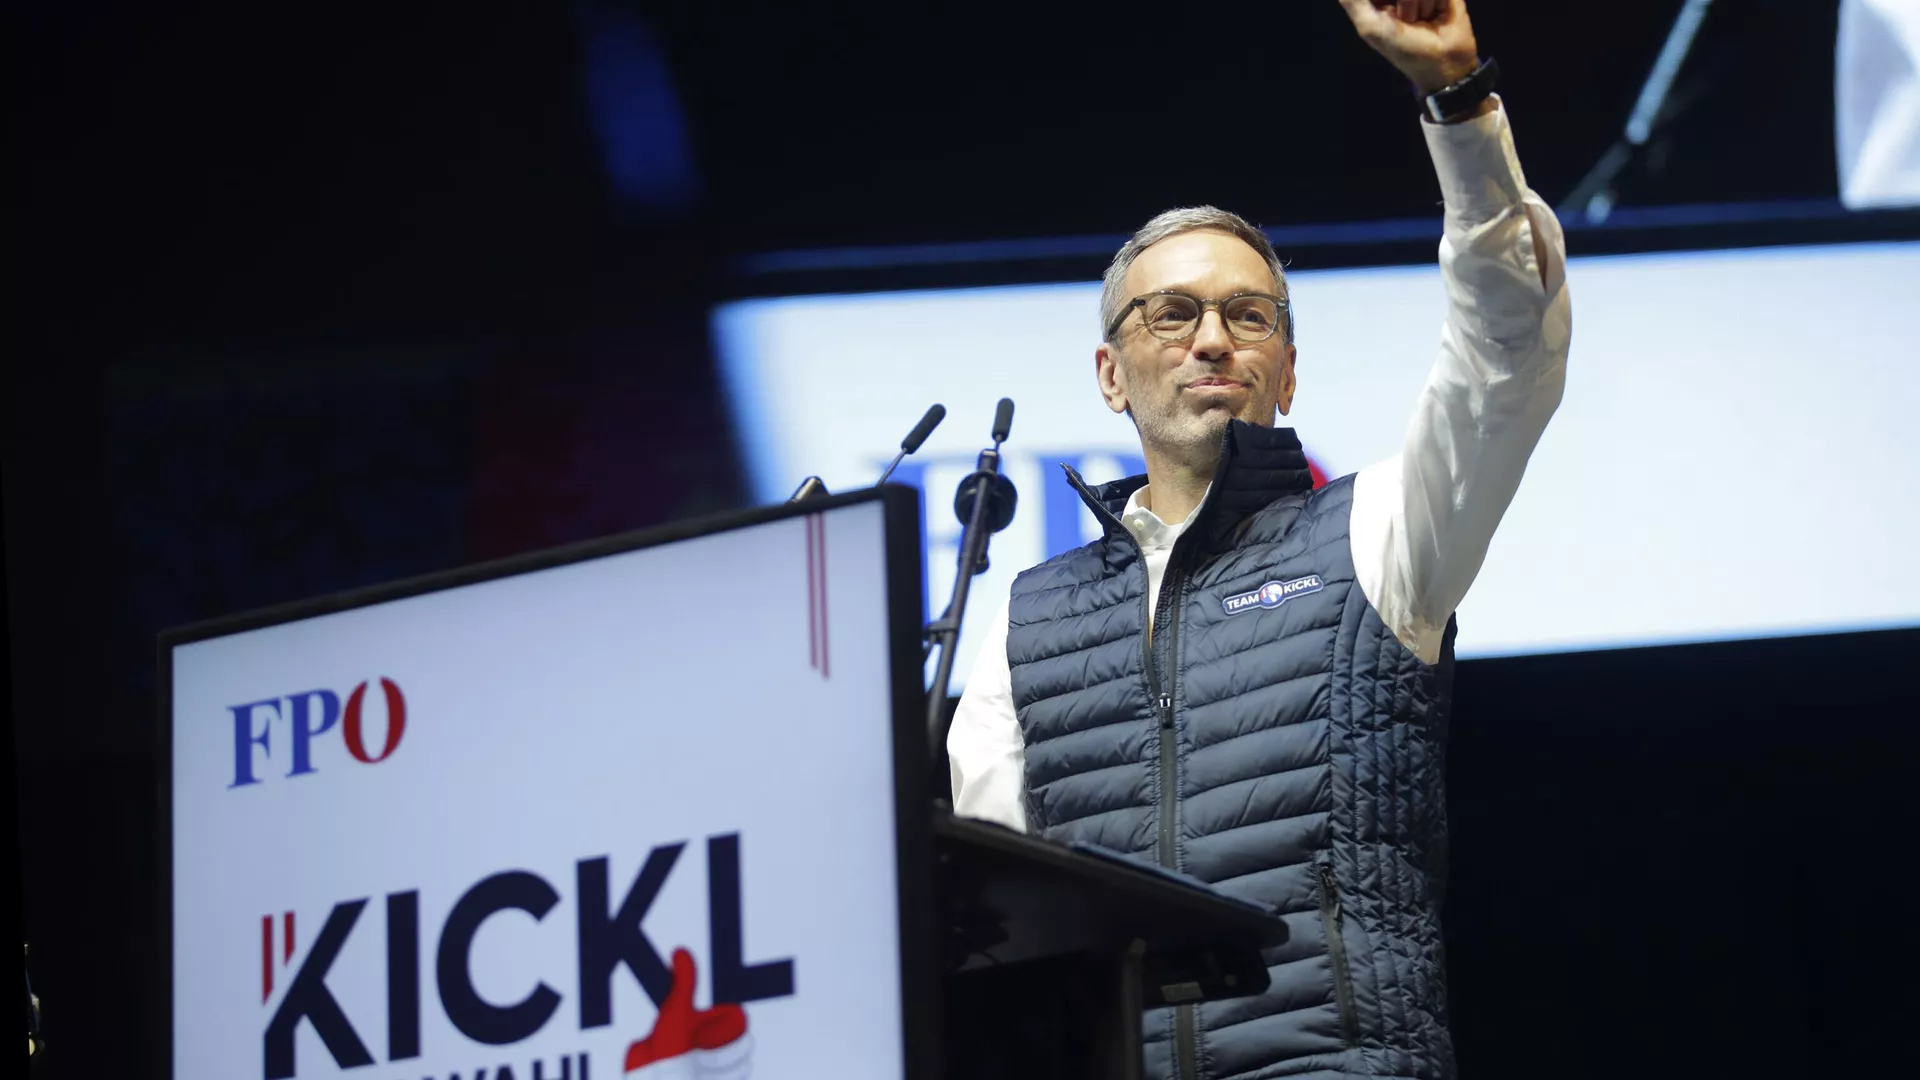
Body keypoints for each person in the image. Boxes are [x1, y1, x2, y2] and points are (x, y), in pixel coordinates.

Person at [945, 2, 1571, 1077]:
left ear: (1287, 369)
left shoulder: (1374, 534)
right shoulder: (1022, 620)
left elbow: (1508, 349)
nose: (1211, 342)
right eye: (1170, 315)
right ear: (1111, 375)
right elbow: (994, 937)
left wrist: (1460, 102)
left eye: (1250, 316)